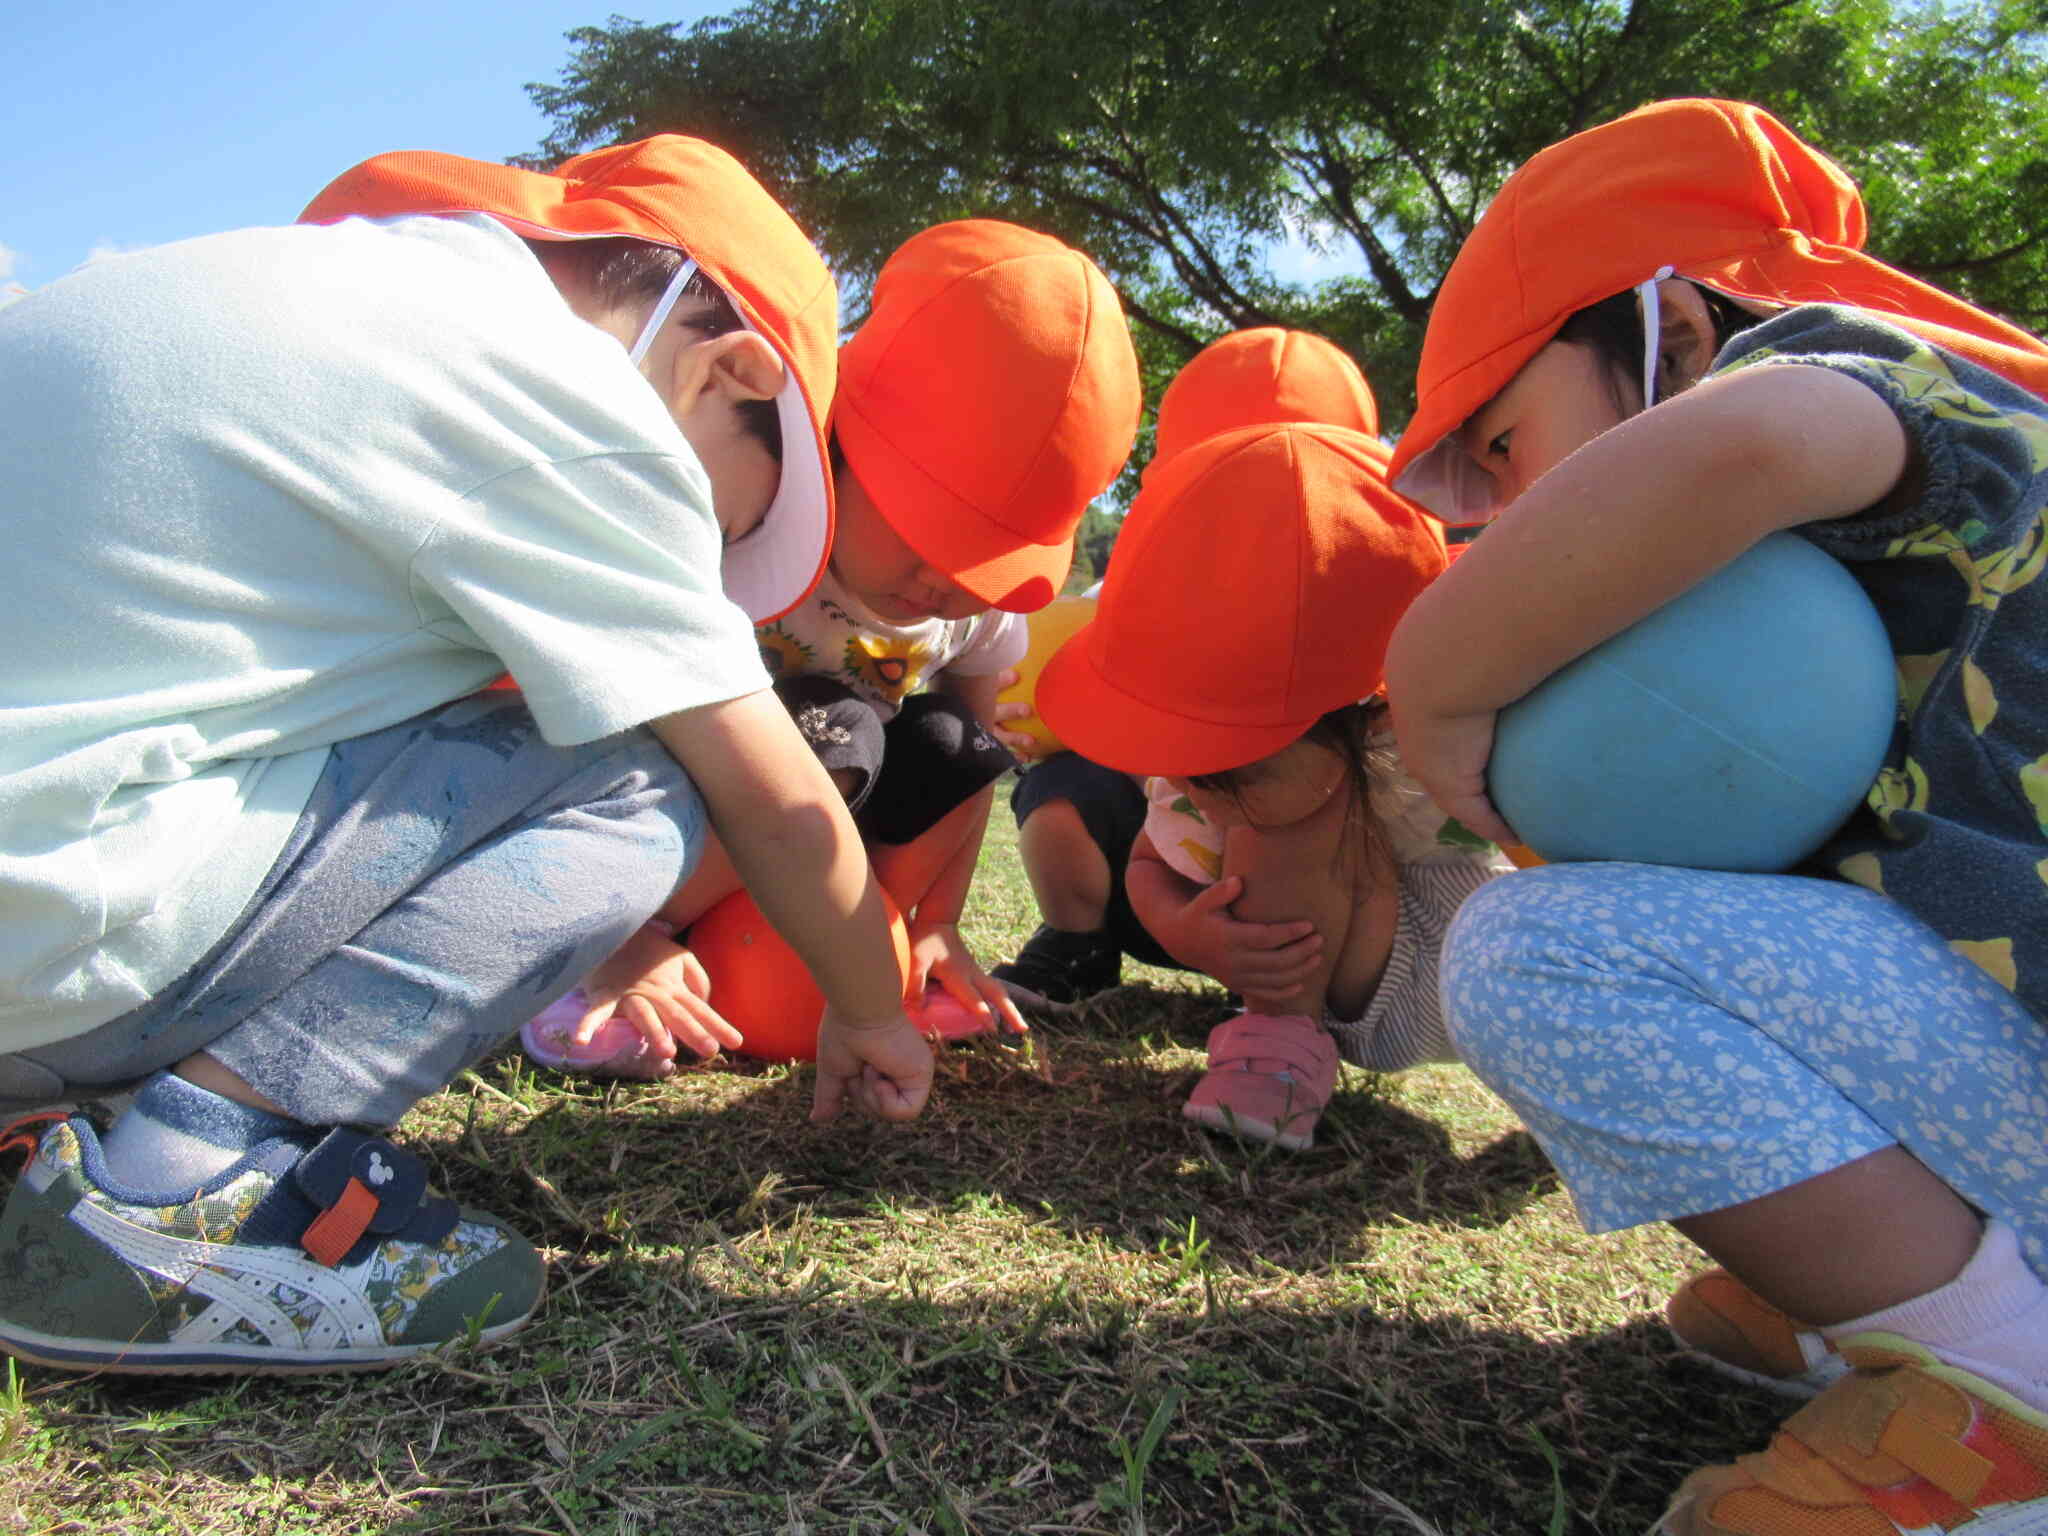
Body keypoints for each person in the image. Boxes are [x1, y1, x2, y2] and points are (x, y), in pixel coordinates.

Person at [0, 134, 932, 1376]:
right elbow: (779, 801)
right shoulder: (577, 404)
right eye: (727, 516)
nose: (699, 561)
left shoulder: (281, 280)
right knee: (637, 781)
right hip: (53, 932)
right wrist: (871, 1009)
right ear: (730, 368)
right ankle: (189, 1186)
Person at [1380, 98, 2048, 1534]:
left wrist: (1436, 676)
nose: (1500, 521)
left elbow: (1752, 444)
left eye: (1501, 450)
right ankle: (1903, 1285)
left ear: (1671, 332)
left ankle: (2013, 1397)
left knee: (1539, 952)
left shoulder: (1832, 366)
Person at [526, 218, 1143, 1077]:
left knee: (954, 742)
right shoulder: (749, 509)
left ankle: (878, 936)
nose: (939, 581)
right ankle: (607, 954)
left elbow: (967, 764)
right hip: (673, 816)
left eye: (979, 558)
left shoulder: (970, 615)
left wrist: (934, 921)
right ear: (839, 447)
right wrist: (616, 933)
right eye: (925, 531)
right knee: (837, 722)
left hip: (820, 841)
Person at [1033, 412, 1506, 1150]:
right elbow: (1150, 862)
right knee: (1276, 801)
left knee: (1291, 799)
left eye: (1227, 759)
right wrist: (1186, 933)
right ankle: (1279, 1038)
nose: (1198, 786)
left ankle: (1281, 1038)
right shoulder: (1184, 758)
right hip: (1345, 980)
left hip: (1453, 964)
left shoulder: (1424, 727)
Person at [993, 327, 1399, 1010]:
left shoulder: (1378, 604)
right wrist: (1029, 719)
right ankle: (1078, 944)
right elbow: (1072, 703)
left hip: (1325, 911)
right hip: (1164, 874)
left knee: (1298, 771)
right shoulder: (1134, 594)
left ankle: (1282, 1011)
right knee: (1059, 784)